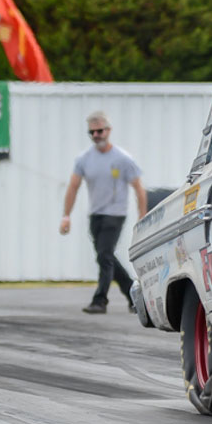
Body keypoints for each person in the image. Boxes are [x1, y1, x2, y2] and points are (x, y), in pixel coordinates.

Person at [59, 112, 147, 313]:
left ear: (108, 130)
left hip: (115, 215)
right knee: (105, 257)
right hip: (96, 215)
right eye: (92, 132)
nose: (96, 135)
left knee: (104, 255)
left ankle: (100, 300)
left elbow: (139, 189)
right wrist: (66, 216)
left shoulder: (122, 159)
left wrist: (142, 215)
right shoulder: (84, 159)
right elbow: (73, 187)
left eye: (99, 131)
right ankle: (134, 295)